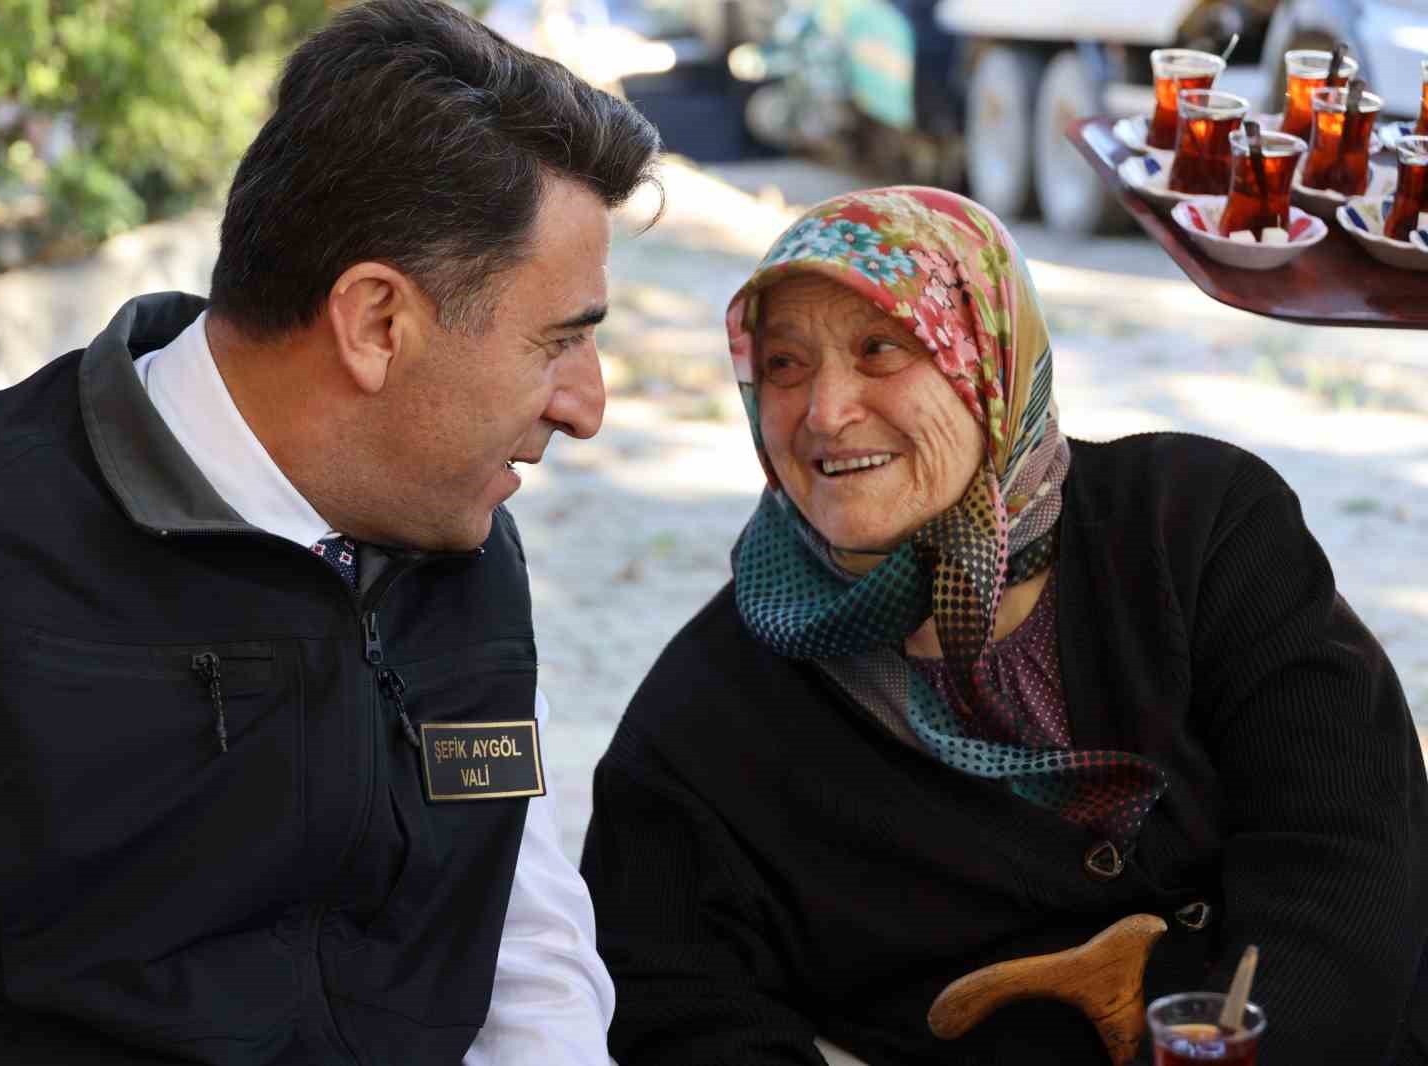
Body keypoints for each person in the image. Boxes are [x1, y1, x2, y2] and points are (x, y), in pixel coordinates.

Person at [0, 2, 660, 1063]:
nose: (586, 406)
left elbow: (529, 963)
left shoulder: (469, 540)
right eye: (557, 343)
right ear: (375, 321)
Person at [579, 186, 1428, 1065]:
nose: (825, 411)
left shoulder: (1199, 527)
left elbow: (1347, 857)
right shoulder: (707, 716)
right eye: (786, 366)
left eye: (881, 349)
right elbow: (674, 1006)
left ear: (990, 356)